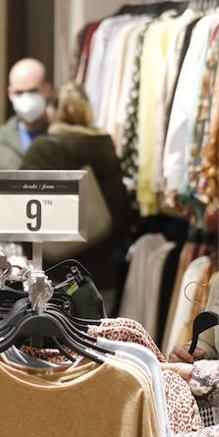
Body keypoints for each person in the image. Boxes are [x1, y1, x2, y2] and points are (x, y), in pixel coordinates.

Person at [20, 81, 134, 302]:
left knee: (54, 333)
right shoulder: (105, 147)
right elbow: (121, 212)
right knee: (97, 333)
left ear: (52, 111)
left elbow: (21, 211)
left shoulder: (43, 149)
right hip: (100, 273)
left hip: (54, 273)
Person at [0, 57, 55, 171]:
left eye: (32, 91)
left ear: (48, 89)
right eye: (19, 92)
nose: (26, 98)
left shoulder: (62, 137)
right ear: (10, 94)